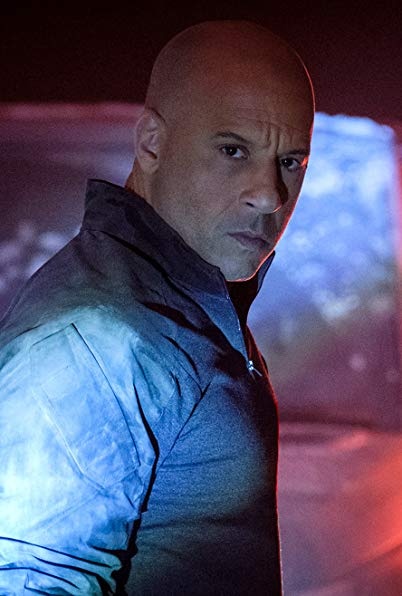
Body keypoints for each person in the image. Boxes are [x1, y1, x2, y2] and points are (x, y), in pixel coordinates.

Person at [0, 19, 314, 595]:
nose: (269, 194)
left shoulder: (182, 304)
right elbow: (28, 579)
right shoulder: (96, 332)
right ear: (151, 143)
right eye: (233, 150)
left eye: (291, 161)